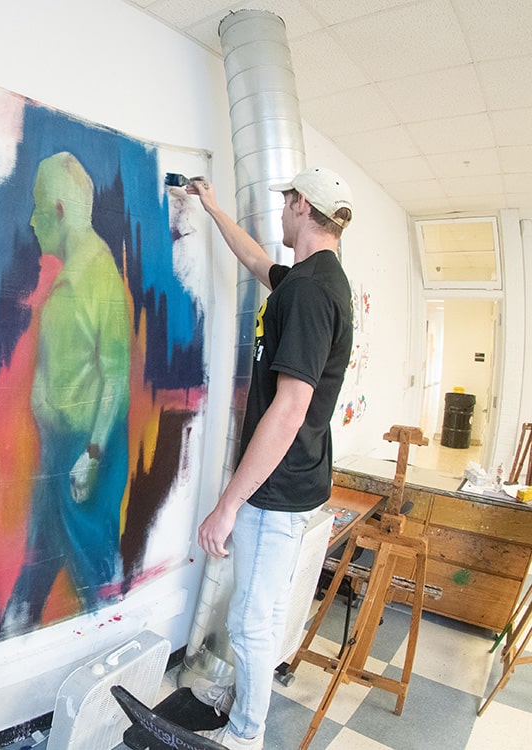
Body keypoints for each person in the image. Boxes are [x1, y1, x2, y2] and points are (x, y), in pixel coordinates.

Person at [184, 167, 354, 750]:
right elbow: (259, 261)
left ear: (302, 205)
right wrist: (211, 207)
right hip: (295, 479)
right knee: (263, 612)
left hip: (274, 487)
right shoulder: (313, 280)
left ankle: (245, 736)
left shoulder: (309, 292)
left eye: (286, 202)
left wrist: (228, 504)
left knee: (251, 623)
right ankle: (243, 705)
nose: (280, 212)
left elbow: (289, 408)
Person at [0, 152, 131, 635]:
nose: (31, 222)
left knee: (93, 568)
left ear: (56, 209)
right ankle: (11, 639)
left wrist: (91, 454)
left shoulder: (99, 277)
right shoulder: (72, 277)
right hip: (60, 447)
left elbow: (115, 375)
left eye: (36, 208)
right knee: (40, 556)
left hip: (84, 454)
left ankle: (111, 664)